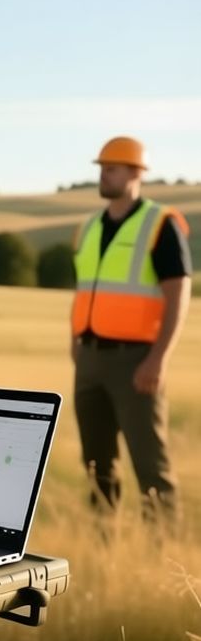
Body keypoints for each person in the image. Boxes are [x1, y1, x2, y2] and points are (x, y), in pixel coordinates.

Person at [70, 135, 191, 528]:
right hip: (89, 359)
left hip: (136, 362)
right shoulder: (89, 226)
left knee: (151, 468)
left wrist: (158, 359)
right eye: (102, 167)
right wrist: (76, 343)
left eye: (112, 168)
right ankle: (105, 550)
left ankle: (163, 561)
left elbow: (178, 295)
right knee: (96, 465)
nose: (103, 174)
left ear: (136, 173)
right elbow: (85, 288)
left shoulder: (160, 223)